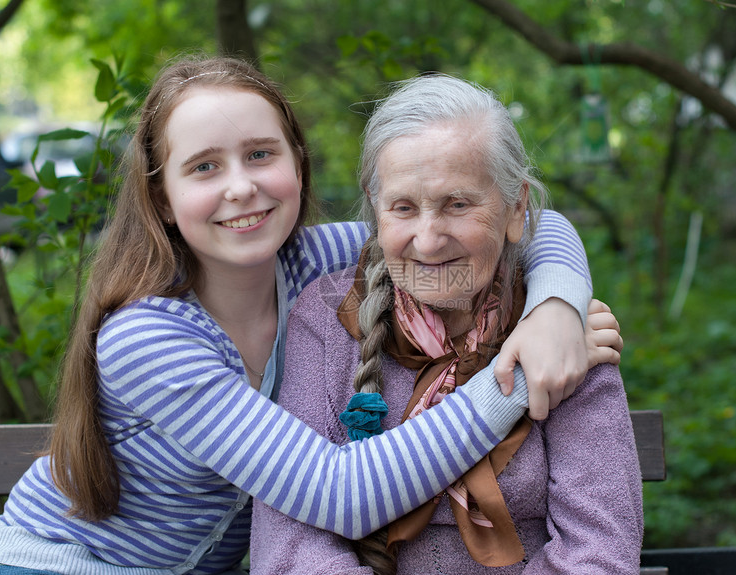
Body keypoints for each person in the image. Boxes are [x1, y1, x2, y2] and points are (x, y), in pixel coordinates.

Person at [0, 57, 619, 575]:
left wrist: (555, 308)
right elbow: (337, 493)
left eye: (260, 154)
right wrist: (515, 378)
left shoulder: (316, 259)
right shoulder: (149, 336)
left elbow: (535, 222)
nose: (240, 187)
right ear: (162, 198)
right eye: (204, 167)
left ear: (298, 164)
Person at [248, 74, 642, 574]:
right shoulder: (325, 322)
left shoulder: (561, 328)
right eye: (404, 208)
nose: (428, 241)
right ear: (375, 205)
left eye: (457, 204)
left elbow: (601, 551)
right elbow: (291, 547)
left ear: (516, 206)